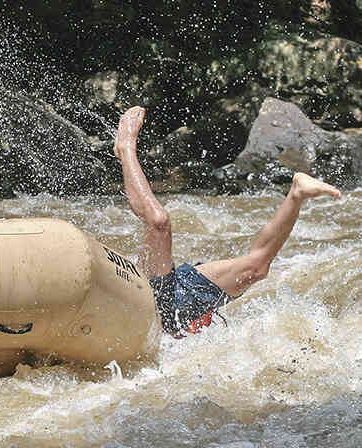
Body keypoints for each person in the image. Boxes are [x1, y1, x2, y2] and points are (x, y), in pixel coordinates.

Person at [115, 106, 341, 337]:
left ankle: (297, 192)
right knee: (159, 222)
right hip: (153, 295)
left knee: (257, 268)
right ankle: (126, 147)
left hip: (178, 304)